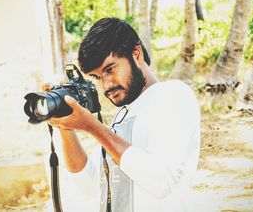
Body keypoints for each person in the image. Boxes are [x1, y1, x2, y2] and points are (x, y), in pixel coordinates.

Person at [48, 17, 201, 211]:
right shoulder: (122, 116)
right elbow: (89, 186)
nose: (106, 85)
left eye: (110, 69)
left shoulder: (172, 94)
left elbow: (160, 181)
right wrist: (65, 124)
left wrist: (92, 127)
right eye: (97, 77)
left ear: (136, 54)